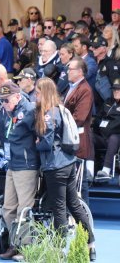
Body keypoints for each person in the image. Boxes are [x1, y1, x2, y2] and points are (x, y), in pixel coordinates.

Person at [34, 77, 96, 261]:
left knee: (59, 209)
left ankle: (59, 250)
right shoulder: (60, 110)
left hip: (55, 166)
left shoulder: (49, 114)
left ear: (44, 93)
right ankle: (91, 244)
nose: (36, 96)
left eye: (38, 93)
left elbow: (45, 143)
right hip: (68, 163)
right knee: (75, 205)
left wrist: (37, 143)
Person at [0, 82, 39, 260]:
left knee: (24, 209)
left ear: (17, 96)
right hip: (11, 163)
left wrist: (9, 113)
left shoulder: (28, 110)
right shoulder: (2, 108)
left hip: (26, 164)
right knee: (8, 209)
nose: (3, 104)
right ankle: (15, 243)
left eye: (6, 100)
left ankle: (27, 247)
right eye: (1, 100)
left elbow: (14, 133)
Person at [64, 56, 94, 202]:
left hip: (79, 141)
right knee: (75, 183)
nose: (68, 71)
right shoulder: (73, 87)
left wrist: (60, 124)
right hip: (71, 140)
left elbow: (79, 118)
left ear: (80, 71)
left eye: (71, 69)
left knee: (81, 183)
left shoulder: (85, 89)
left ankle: (85, 222)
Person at [93, 78, 120, 181]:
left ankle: (106, 170)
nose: (116, 92)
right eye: (114, 90)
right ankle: (89, 169)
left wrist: (108, 125)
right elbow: (98, 119)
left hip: (116, 137)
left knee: (114, 137)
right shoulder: (108, 102)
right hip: (103, 136)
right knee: (88, 137)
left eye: (118, 90)